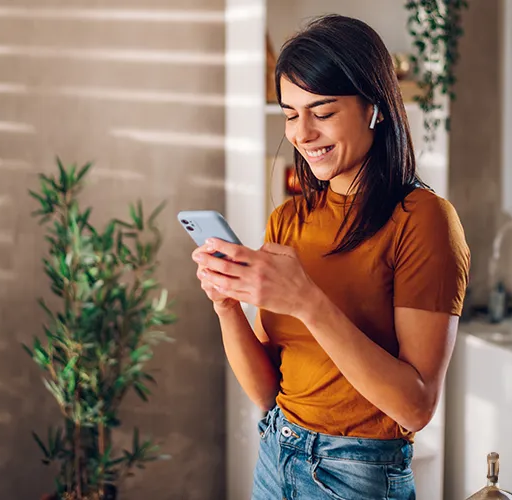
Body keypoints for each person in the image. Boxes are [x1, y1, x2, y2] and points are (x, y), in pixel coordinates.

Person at [191, 13, 470, 500]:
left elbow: (415, 407)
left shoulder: (423, 220)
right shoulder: (288, 219)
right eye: (291, 113)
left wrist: (308, 303)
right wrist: (226, 305)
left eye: (322, 112)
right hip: (276, 458)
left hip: (356, 476)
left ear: (374, 108)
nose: (302, 133)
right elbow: (267, 392)